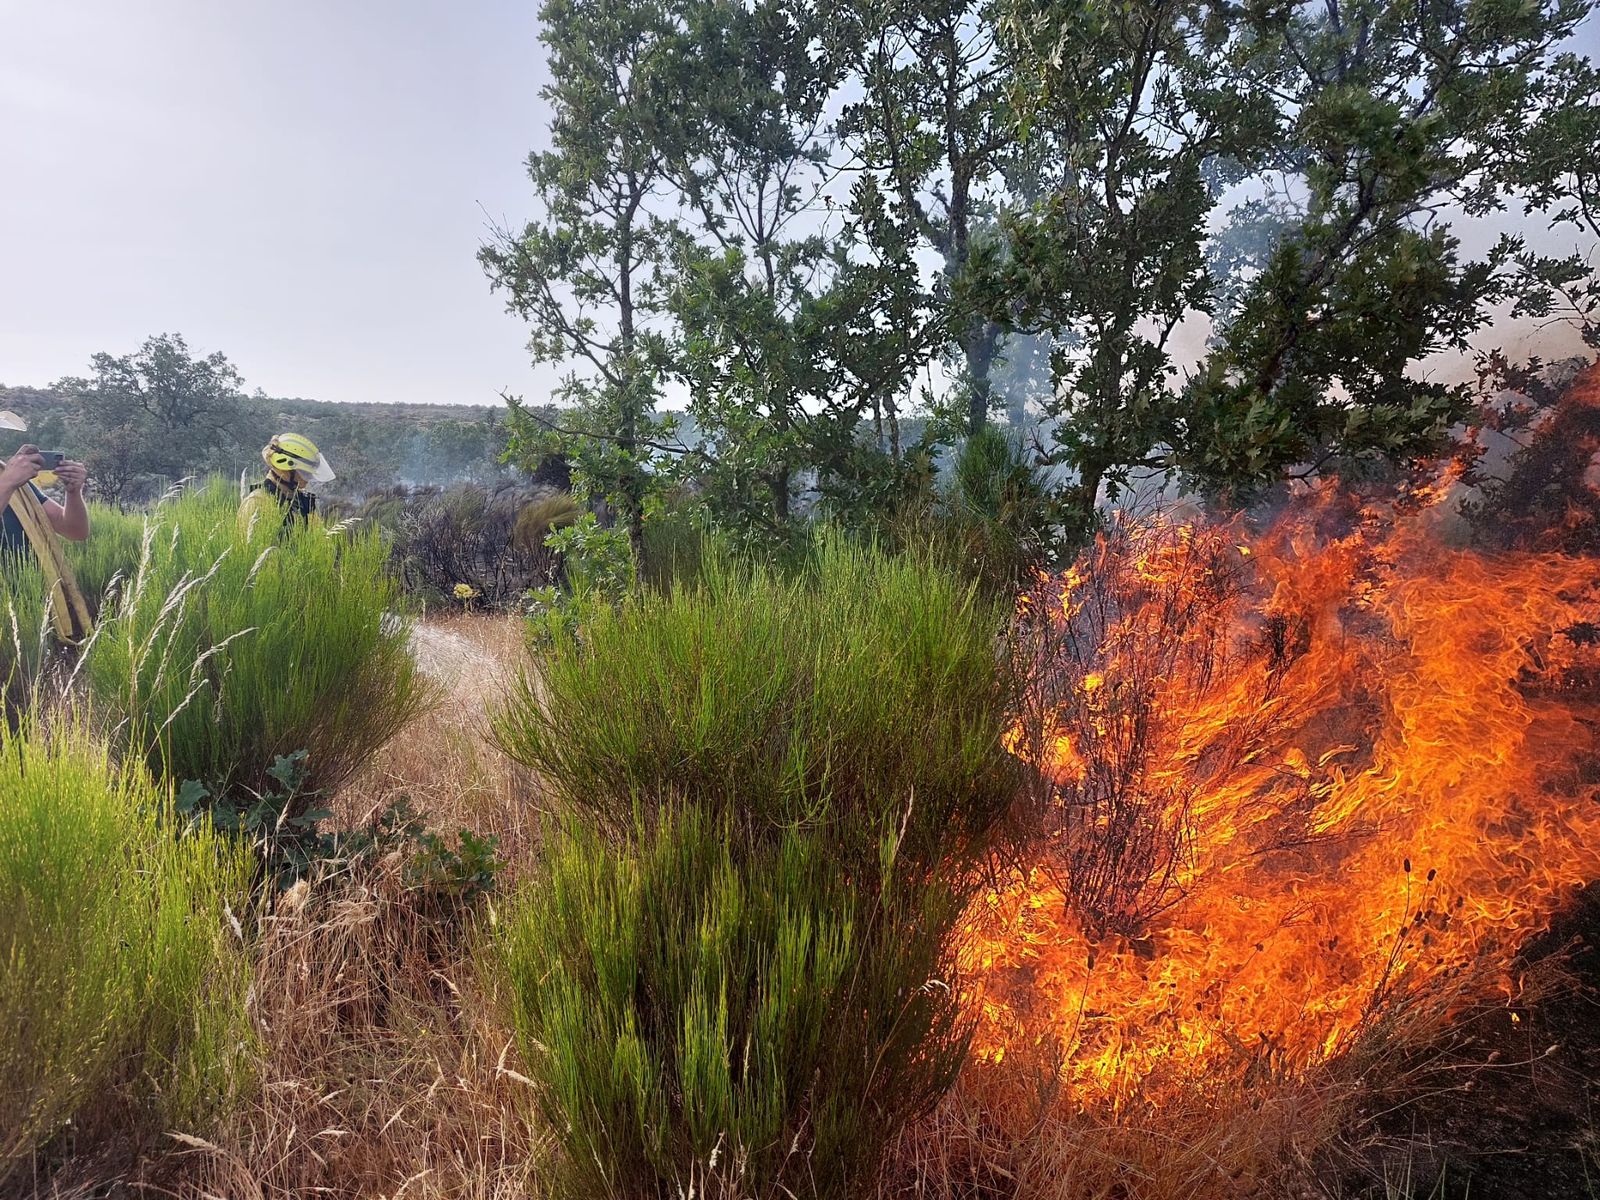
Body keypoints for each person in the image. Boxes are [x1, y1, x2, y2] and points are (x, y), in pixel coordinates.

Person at [0, 444, 91, 556]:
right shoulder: (7, 481)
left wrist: (74, 492)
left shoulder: (17, 484)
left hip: (32, 573)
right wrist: (7, 483)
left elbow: (75, 531)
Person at [238, 432, 335, 535]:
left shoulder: (302, 502)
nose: (309, 478)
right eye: (305, 472)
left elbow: (319, 539)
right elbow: (247, 546)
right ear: (285, 469)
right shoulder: (256, 502)